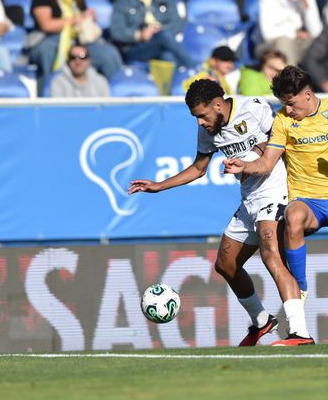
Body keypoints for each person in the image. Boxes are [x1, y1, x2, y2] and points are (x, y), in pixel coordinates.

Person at [129, 79, 314, 346]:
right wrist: (159, 186)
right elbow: (198, 168)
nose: (200, 123)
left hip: (275, 193)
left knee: (270, 254)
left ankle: (299, 332)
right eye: (195, 118)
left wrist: (260, 154)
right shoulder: (208, 131)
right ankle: (262, 322)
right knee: (226, 265)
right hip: (249, 200)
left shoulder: (254, 109)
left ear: (218, 104)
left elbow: (284, 141)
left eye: (202, 116)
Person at [224, 65, 328, 344]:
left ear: (307, 95)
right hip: (307, 201)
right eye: (283, 104)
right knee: (293, 215)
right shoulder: (283, 120)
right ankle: (299, 289)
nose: (288, 110)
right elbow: (267, 162)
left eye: (290, 103)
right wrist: (245, 165)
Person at [30, 0, 123, 81]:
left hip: (79, 41)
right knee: (48, 52)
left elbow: (82, 20)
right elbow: (46, 25)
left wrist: (89, 17)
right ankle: (51, 91)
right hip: (52, 39)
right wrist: (74, 21)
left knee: (108, 53)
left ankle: (116, 93)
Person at [109, 0, 194, 68]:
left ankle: (172, 83)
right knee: (163, 38)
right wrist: (139, 35)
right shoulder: (123, 2)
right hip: (136, 48)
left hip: (163, 42)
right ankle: (195, 68)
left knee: (167, 56)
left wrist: (156, 30)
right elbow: (116, 31)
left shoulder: (167, 0)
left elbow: (178, 24)